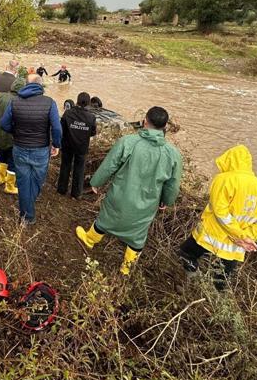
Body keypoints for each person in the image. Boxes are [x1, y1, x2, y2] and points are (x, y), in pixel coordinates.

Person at [75, 106, 182, 275]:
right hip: (148, 202)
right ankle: (127, 267)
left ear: (145, 121)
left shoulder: (128, 142)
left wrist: (96, 182)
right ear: (165, 127)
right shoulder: (173, 154)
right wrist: (165, 201)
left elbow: (109, 166)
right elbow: (172, 184)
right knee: (138, 234)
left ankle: (89, 239)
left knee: (106, 218)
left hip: (120, 195)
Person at [179, 145, 257, 290]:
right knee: (221, 281)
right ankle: (215, 307)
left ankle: (191, 285)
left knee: (186, 253)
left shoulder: (224, 180)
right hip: (236, 246)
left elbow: (220, 212)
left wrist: (240, 235)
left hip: (210, 236)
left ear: (229, 160)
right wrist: (248, 236)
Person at [0, 74, 62, 224]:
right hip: (40, 149)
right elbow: (57, 128)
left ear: (25, 84)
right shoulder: (49, 102)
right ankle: (28, 215)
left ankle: (26, 210)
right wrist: (56, 145)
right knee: (37, 181)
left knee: (22, 181)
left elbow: (4, 124)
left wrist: (15, 132)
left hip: (20, 148)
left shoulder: (15, 102)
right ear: (40, 85)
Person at [0, 77, 25, 195]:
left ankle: (1, 178)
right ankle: (10, 186)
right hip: (13, 136)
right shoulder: (20, 101)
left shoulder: (0, 96)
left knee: (2, 155)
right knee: (13, 160)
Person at [57, 92, 97, 198]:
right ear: (88, 103)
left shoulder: (68, 113)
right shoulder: (91, 117)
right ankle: (76, 193)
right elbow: (93, 132)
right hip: (82, 147)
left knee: (65, 166)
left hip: (67, 145)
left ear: (77, 101)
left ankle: (61, 189)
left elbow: (62, 128)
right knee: (79, 170)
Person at [0, 59, 20, 163]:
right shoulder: (15, 82)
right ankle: (4, 161)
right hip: (8, 111)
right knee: (7, 138)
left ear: (6, 67)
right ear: (16, 70)